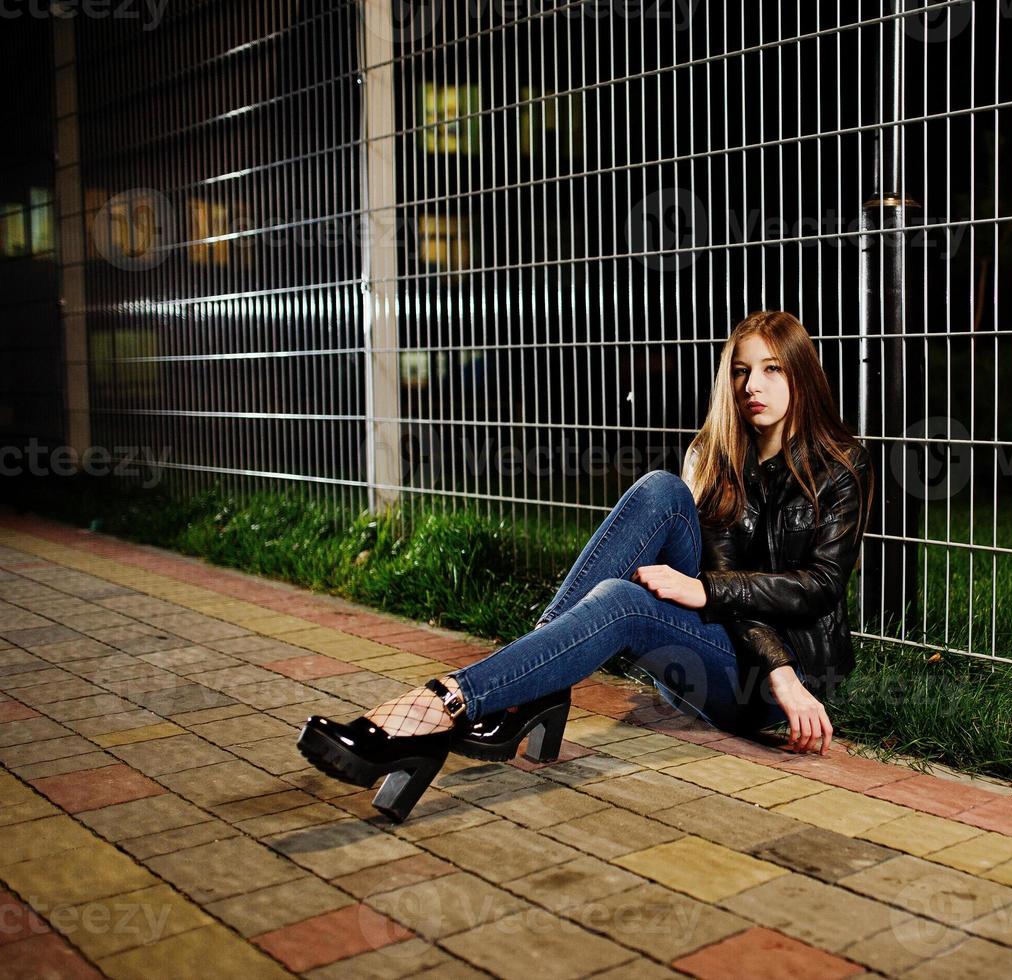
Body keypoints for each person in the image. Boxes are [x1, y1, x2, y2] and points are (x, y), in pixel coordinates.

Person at [297, 310, 874, 822]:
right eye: (741, 371)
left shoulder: (840, 465)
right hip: (716, 649)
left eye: (772, 369)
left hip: (780, 686)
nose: (753, 385)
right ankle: (522, 691)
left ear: (802, 374)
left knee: (621, 602)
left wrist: (771, 662)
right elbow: (715, 583)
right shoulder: (716, 455)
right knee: (659, 491)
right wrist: (706, 589)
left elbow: (817, 587)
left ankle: (445, 703)